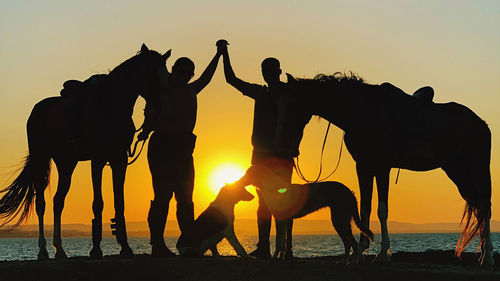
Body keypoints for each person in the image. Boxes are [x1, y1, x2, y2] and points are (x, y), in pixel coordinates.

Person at [138, 42, 222, 257]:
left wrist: (218, 55)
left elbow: (207, 78)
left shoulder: (191, 89)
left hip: (184, 149)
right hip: (163, 147)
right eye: (182, 72)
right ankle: (157, 244)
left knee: (185, 199)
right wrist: (146, 128)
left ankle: (188, 243)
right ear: (173, 70)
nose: (186, 76)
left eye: (189, 73)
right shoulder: (161, 90)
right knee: (162, 196)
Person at [219, 40, 298, 258]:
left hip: (281, 156)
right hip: (262, 156)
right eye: (264, 71)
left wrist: (292, 146)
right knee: (264, 203)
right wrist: (224, 54)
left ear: (279, 72)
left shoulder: (289, 95)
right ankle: (264, 247)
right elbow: (231, 80)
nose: (267, 74)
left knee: (284, 201)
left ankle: (286, 248)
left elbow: (298, 121)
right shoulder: (260, 93)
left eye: (271, 71)